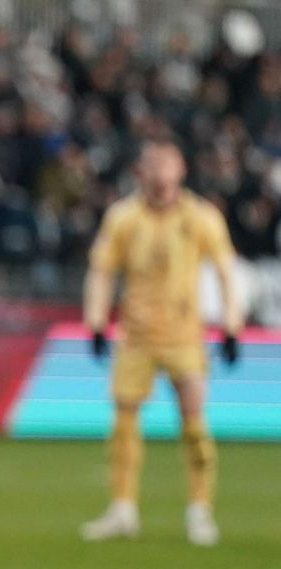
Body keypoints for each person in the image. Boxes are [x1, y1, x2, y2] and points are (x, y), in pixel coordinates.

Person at [79, 139, 242, 547]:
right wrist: (96, 321)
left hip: (184, 334)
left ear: (181, 169)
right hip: (135, 335)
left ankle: (200, 511)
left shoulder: (201, 216)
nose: (158, 173)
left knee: (194, 423)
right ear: (140, 171)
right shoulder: (124, 217)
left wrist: (231, 325)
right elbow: (101, 270)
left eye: (166, 165)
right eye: (151, 165)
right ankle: (122, 509)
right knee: (123, 421)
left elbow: (226, 271)